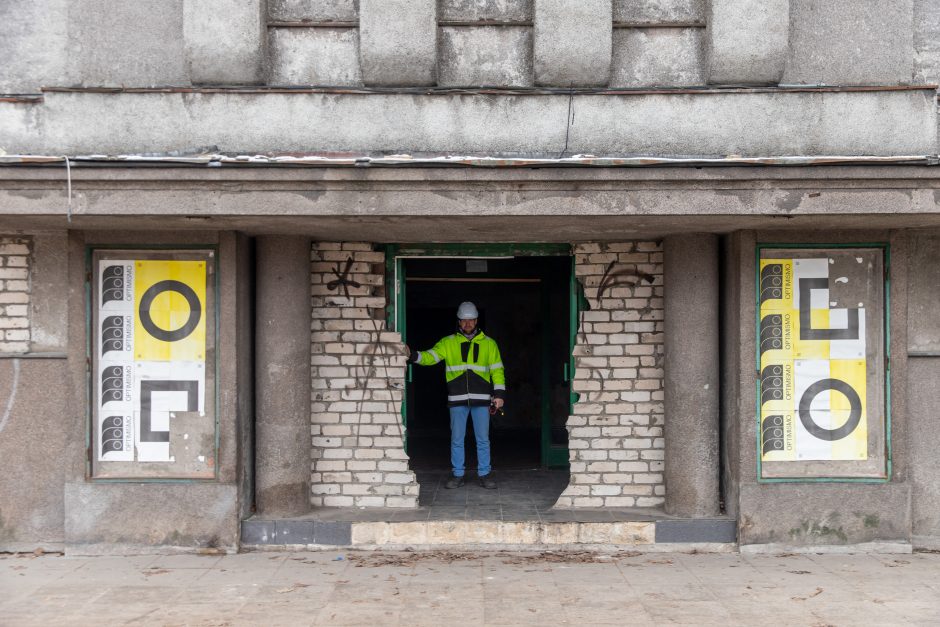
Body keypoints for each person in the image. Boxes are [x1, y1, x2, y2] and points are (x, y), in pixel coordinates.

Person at [407, 301, 505, 489]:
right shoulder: (448, 342)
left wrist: (499, 394)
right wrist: (411, 354)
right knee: (457, 439)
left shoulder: (489, 344)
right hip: (457, 400)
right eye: (464, 320)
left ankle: (484, 474)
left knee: (483, 439)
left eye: (471, 320)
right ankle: (457, 474)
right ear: (459, 322)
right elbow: (430, 357)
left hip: (482, 400)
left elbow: (497, 370)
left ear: (476, 321)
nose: (468, 324)